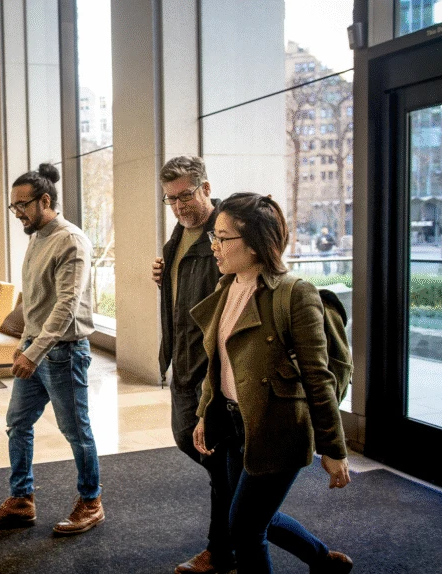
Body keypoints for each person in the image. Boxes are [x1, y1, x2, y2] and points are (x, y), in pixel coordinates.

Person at [189, 193, 353, 574]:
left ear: (254, 242)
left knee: (245, 528)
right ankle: (322, 561)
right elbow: (218, 362)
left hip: (278, 428)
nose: (214, 246)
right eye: (214, 236)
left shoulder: (294, 294)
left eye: (222, 237)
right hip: (236, 425)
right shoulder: (227, 287)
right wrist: (203, 413)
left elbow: (318, 377)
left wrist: (333, 448)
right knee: (252, 515)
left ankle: (320, 560)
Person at [0, 163, 103, 536]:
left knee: (76, 430)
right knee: (18, 423)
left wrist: (34, 352)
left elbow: (65, 307)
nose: (17, 213)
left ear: (45, 201)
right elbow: (35, 302)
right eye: (13, 206)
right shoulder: (37, 237)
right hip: (36, 347)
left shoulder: (71, 241)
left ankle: (91, 501)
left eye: (22, 205)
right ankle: (21, 500)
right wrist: (24, 345)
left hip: (64, 353)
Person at [151, 157, 231, 574]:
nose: (179, 206)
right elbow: (184, 293)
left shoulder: (224, 233)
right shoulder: (178, 235)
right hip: (181, 358)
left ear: (206, 188)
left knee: (217, 459)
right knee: (188, 439)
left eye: (185, 195)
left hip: (210, 366)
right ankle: (245, 513)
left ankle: (222, 550)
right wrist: (164, 274)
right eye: (171, 199)